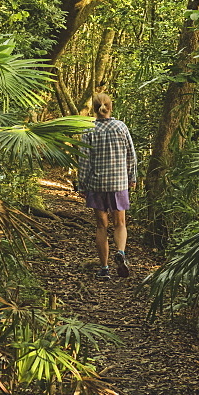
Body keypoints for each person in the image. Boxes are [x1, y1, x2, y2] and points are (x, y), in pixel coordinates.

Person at [77, 92, 137, 280]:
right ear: (110, 107)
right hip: (119, 182)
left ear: (94, 109)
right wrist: (132, 178)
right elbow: (131, 155)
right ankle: (121, 252)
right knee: (120, 223)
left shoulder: (88, 130)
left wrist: (83, 185)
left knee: (101, 226)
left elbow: (84, 161)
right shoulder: (121, 127)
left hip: (97, 184)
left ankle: (104, 268)